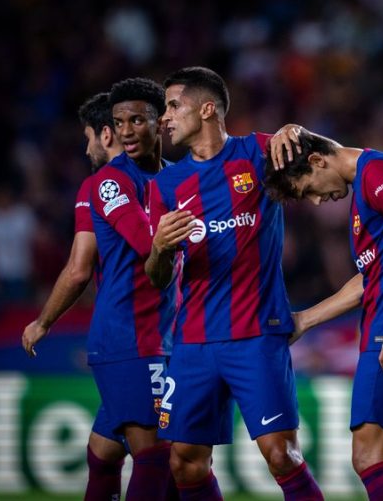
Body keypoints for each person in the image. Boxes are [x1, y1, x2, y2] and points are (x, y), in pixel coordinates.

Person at [145, 66, 323, 500]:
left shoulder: (258, 152)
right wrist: (160, 250)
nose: (164, 117)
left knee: (282, 456)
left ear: (207, 109)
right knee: (184, 462)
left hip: (257, 334)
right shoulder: (165, 185)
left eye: (173, 106)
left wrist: (297, 130)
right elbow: (157, 278)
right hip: (193, 342)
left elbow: (326, 158)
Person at [266, 129, 383, 501]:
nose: (317, 201)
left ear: (317, 160)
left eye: (309, 190)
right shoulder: (367, 186)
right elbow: (371, 279)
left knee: (369, 456)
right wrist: (305, 319)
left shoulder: (377, 174)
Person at [22, 92, 131, 500]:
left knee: (164, 460)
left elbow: (78, 268)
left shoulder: (99, 185)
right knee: (102, 453)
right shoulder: (166, 177)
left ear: (106, 134)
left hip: (134, 340)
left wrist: (43, 321)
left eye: (88, 138)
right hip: (166, 334)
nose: (86, 149)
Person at [86, 78, 179, 500]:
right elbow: (148, 245)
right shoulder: (111, 181)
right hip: (131, 337)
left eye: (137, 120)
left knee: (105, 454)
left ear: (160, 123)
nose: (125, 131)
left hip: (164, 335)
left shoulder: (175, 176)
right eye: (119, 122)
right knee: (157, 455)